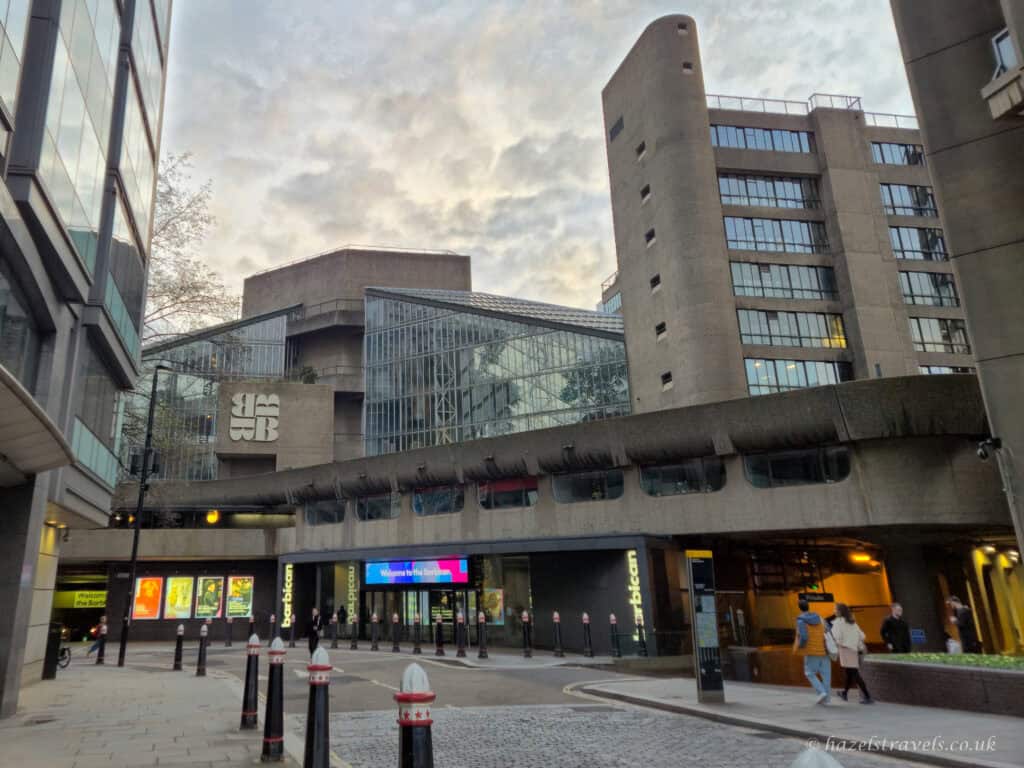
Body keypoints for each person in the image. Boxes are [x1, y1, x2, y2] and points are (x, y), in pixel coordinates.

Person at [831, 603, 873, 704]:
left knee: (854, 673)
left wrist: (836, 644)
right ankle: (844, 693)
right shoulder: (852, 622)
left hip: (845, 650)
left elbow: (837, 638)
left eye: (835, 609)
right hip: (854, 650)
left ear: (840, 612)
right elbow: (862, 636)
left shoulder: (838, 623)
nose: (834, 611)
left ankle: (868, 696)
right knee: (850, 673)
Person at [793, 598, 831, 705]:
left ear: (799, 608)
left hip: (812, 651)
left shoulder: (801, 620)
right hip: (825, 650)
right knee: (826, 675)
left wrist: (800, 647)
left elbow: (804, 637)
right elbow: (828, 629)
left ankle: (821, 692)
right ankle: (826, 700)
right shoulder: (819, 618)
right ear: (808, 606)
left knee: (809, 673)